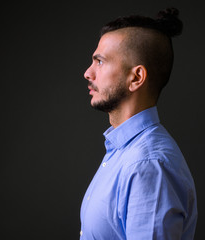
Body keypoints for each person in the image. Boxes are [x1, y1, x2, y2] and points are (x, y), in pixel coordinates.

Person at [80, 8, 197, 240]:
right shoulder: (122, 153)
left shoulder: (148, 165)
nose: (88, 73)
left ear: (136, 78)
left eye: (100, 62)